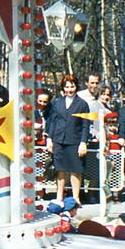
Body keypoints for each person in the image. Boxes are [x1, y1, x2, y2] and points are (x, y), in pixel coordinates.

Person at [45, 74, 90, 204]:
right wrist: (49, 139)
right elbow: (52, 122)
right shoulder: (57, 103)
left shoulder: (82, 104)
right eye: (67, 87)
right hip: (59, 140)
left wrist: (83, 143)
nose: (70, 89)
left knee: (76, 170)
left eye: (72, 86)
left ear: (76, 87)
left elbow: (85, 125)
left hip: (75, 141)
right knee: (60, 169)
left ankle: (76, 197)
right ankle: (59, 196)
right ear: (63, 88)